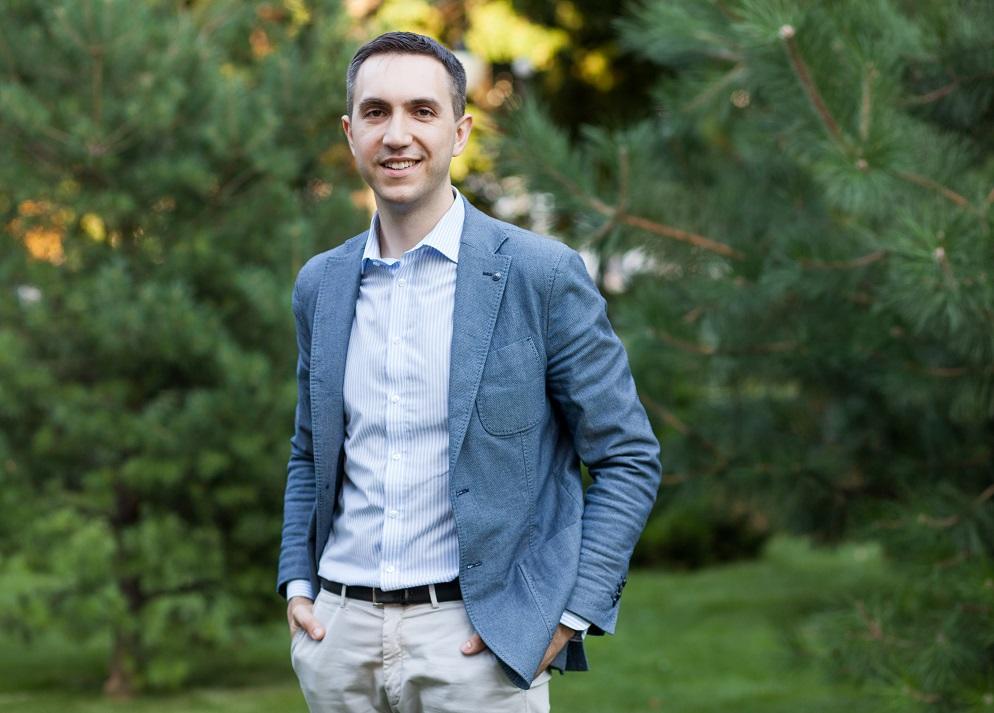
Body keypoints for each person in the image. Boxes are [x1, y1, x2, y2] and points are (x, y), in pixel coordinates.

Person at [276, 31, 661, 713]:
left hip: (476, 645)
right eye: (376, 112)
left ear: (459, 132)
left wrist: (567, 616)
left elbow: (627, 455)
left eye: (422, 111)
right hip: (338, 642)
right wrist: (298, 582)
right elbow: (311, 450)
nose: (397, 134)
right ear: (350, 132)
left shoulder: (541, 275)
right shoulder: (322, 284)